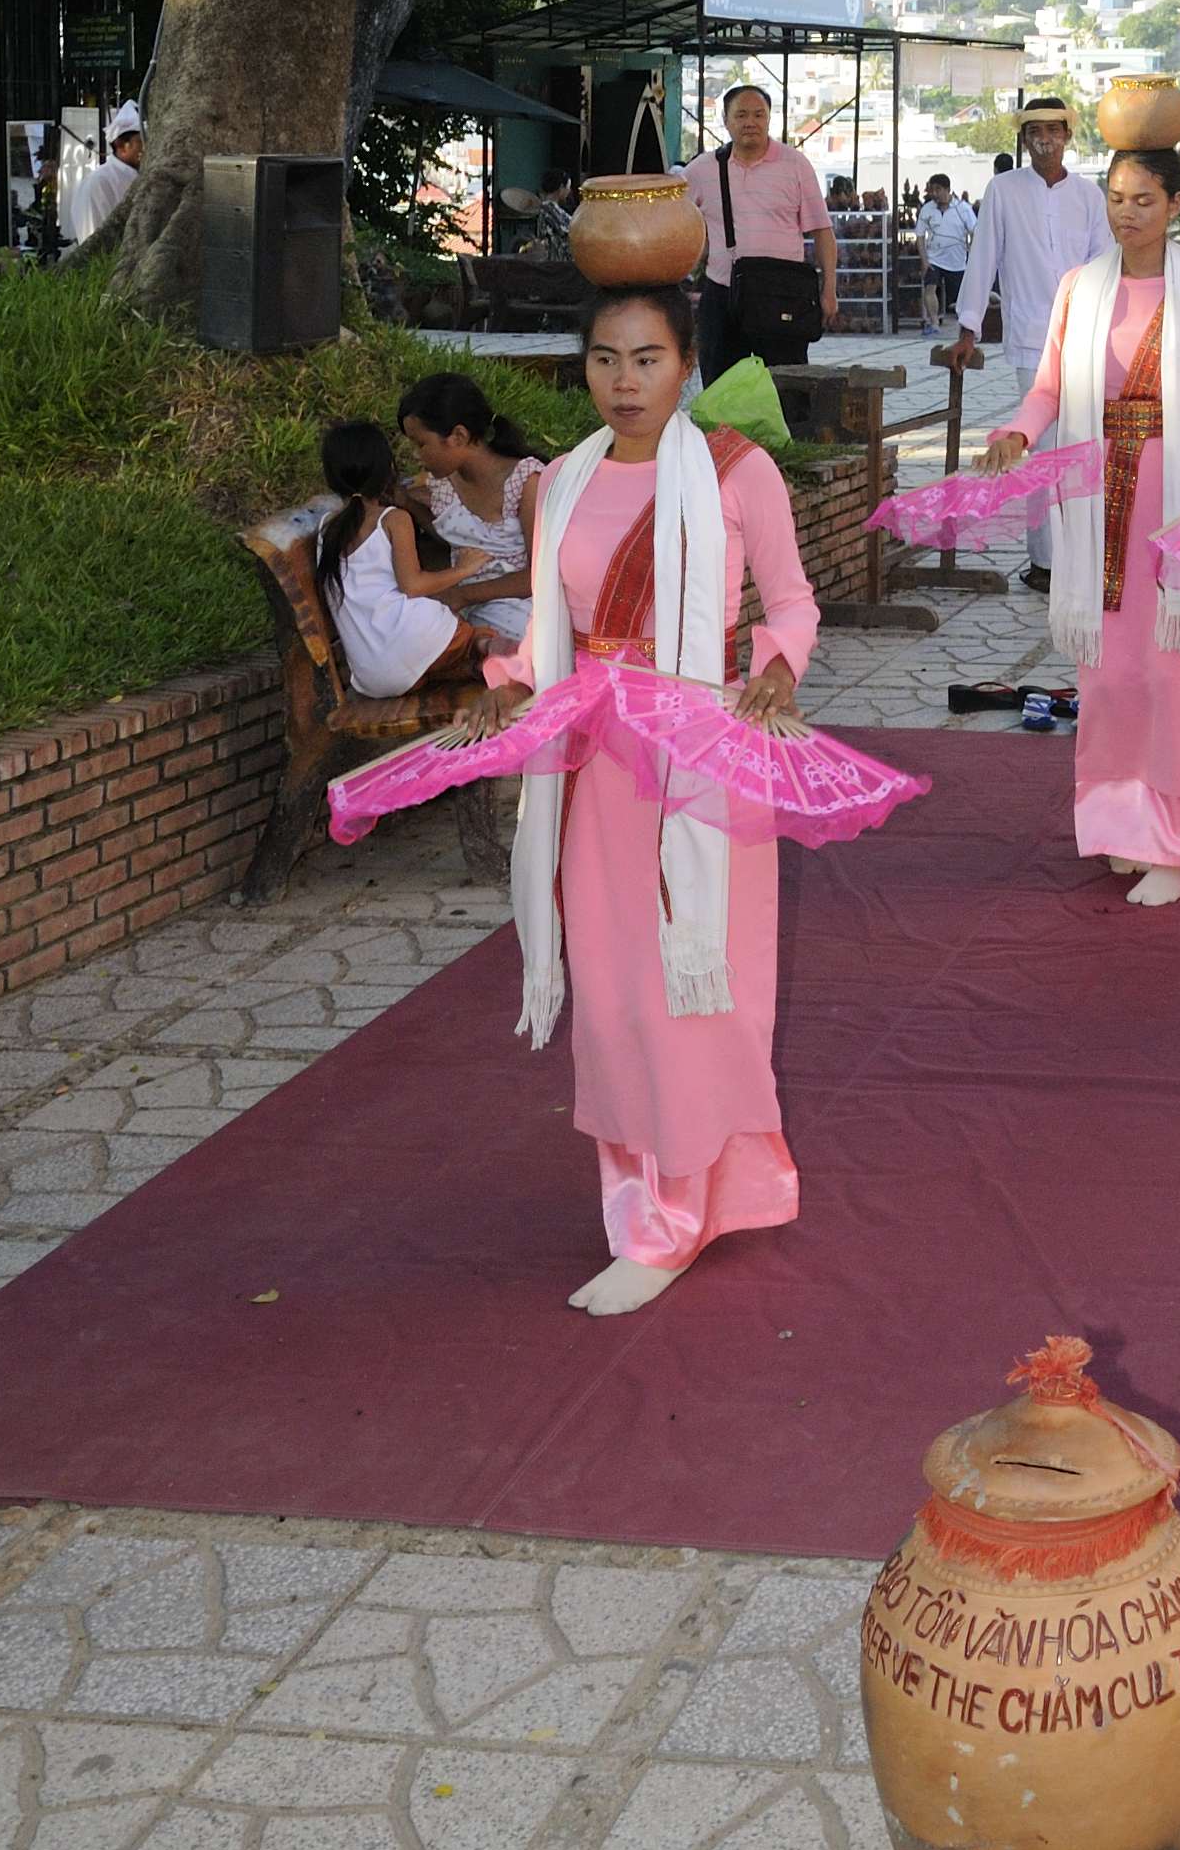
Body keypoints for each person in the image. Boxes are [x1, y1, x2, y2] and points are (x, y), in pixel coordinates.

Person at [432, 279, 822, 1315]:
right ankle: (644, 1204)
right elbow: (549, 628)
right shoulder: (561, 479)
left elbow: (791, 599)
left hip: (700, 764)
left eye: (648, 358)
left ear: (685, 365)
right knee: (612, 998)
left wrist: (778, 666)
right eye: (605, 358)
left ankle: (680, 1215)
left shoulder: (736, 472)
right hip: (597, 768)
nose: (625, 380)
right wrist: (509, 685)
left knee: (693, 993)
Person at [984, 143, 1180, 906]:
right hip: (1096, 505)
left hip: (1174, 502)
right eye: (1115, 197)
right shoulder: (1079, 289)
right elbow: (1049, 387)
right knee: (1107, 677)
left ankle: (1175, 843)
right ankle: (1118, 826)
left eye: (1144, 199)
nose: (1127, 212)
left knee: (1167, 675)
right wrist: (1016, 434)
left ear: (1175, 207)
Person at [951, 92, 1110, 583]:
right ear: (1023, 140)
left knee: (1085, 443)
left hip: (1086, 336)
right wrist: (969, 328)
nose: (1044, 139)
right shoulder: (1003, 190)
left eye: (1053, 130)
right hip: (1030, 337)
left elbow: (1106, 264)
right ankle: (1045, 563)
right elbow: (984, 258)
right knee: (1041, 448)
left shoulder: (1089, 195)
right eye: (1035, 131)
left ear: (1067, 136)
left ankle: (1085, 557)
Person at [316, 422, 491, 697]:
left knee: (442, 659)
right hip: (417, 641)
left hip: (374, 678)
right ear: (387, 468)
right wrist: (464, 569)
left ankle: (475, 667)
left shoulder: (326, 530)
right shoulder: (392, 519)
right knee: (480, 640)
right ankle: (491, 659)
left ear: (331, 477)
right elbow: (413, 585)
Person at [684, 82, 837, 384]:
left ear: (769, 118)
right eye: (741, 115)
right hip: (723, 294)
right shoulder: (702, 170)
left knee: (786, 387)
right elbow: (674, 220)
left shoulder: (795, 165)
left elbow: (822, 232)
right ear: (726, 121)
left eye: (758, 114)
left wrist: (829, 290)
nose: (750, 122)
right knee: (721, 388)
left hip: (783, 294)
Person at [398, 372, 549, 649]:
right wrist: (408, 504)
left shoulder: (526, 481)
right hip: (467, 606)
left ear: (458, 436)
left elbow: (538, 575)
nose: (416, 455)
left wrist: (463, 595)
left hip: (519, 607)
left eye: (421, 444)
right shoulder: (444, 482)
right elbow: (459, 535)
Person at [61, 105, 143, 248]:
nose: (147, 148)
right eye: (141, 142)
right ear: (121, 146)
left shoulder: (140, 176)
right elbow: (94, 238)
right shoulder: (99, 183)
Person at [918, 172, 975, 331]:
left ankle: (967, 324)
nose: (935, 194)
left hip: (956, 261)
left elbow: (974, 231)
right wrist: (924, 260)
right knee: (930, 288)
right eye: (932, 190)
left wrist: (972, 252)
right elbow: (920, 235)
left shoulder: (963, 209)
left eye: (938, 190)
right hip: (934, 258)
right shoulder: (927, 209)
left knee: (961, 296)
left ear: (947, 189)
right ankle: (934, 322)